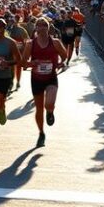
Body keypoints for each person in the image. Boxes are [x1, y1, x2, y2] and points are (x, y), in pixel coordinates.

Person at [22, 16, 67, 147]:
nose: (42, 27)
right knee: (39, 109)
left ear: (48, 28)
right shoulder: (31, 44)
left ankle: (50, 112)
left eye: (44, 25)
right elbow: (23, 62)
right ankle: (41, 133)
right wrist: (32, 63)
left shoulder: (56, 42)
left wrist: (61, 63)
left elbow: (64, 55)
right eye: (39, 25)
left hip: (51, 77)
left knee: (49, 104)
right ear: (36, 27)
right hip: (36, 79)